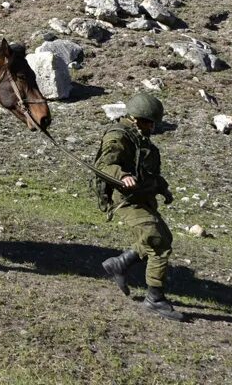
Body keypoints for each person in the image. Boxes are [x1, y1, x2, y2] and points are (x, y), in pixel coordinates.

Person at [97, 92, 185, 321]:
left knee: (162, 237)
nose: (152, 127)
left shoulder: (140, 137)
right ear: (136, 119)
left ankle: (120, 263)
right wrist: (122, 175)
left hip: (143, 198)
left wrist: (162, 188)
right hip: (126, 200)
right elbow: (104, 166)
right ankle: (155, 299)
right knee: (157, 242)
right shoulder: (118, 136)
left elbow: (148, 170)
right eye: (148, 122)